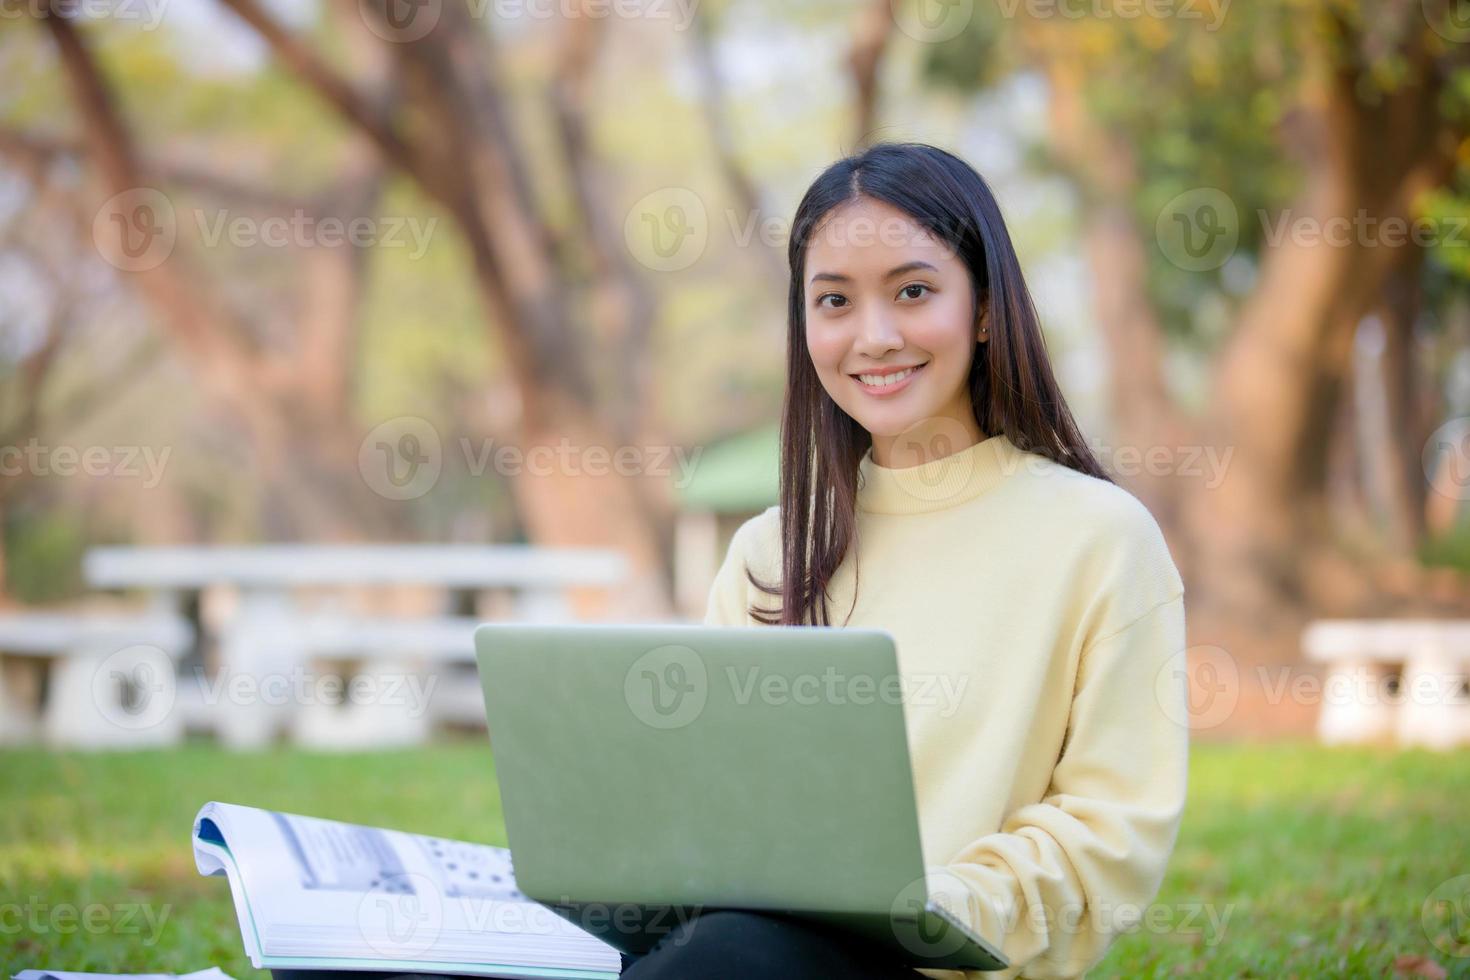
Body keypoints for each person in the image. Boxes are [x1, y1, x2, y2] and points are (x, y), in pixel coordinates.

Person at [623, 142, 1189, 979]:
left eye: (914, 291)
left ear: (987, 308)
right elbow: (714, 806)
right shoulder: (766, 554)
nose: (874, 337)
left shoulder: (1100, 538)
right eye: (834, 301)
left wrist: (915, 906)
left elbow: (1105, 843)